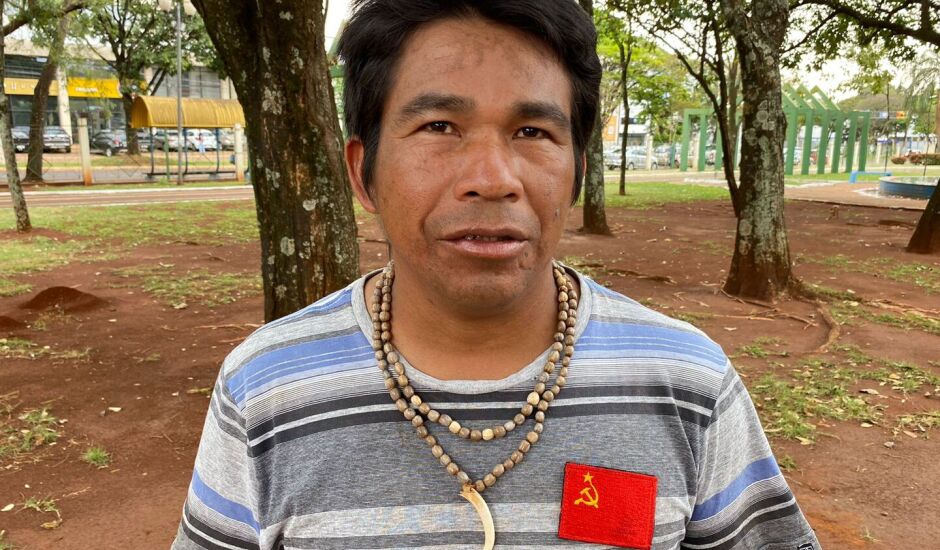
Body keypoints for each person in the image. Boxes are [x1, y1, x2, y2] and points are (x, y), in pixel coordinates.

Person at [171, 1, 820, 549]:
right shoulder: (264, 391)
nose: (492, 179)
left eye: (533, 131)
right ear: (361, 171)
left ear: (577, 173)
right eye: (440, 126)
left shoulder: (690, 384)